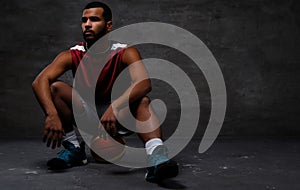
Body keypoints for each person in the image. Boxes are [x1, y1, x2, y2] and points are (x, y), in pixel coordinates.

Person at [32, 1, 178, 182]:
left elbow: (144, 83)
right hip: (89, 117)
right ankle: (74, 148)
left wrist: (116, 106)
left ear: (108, 25)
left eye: (94, 19)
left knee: (143, 100)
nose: (87, 24)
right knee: (56, 88)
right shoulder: (72, 54)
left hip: (119, 116)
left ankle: (157, 157)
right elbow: (39, 82)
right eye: (84, 20)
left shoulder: (125, 52)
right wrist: (51, 114)